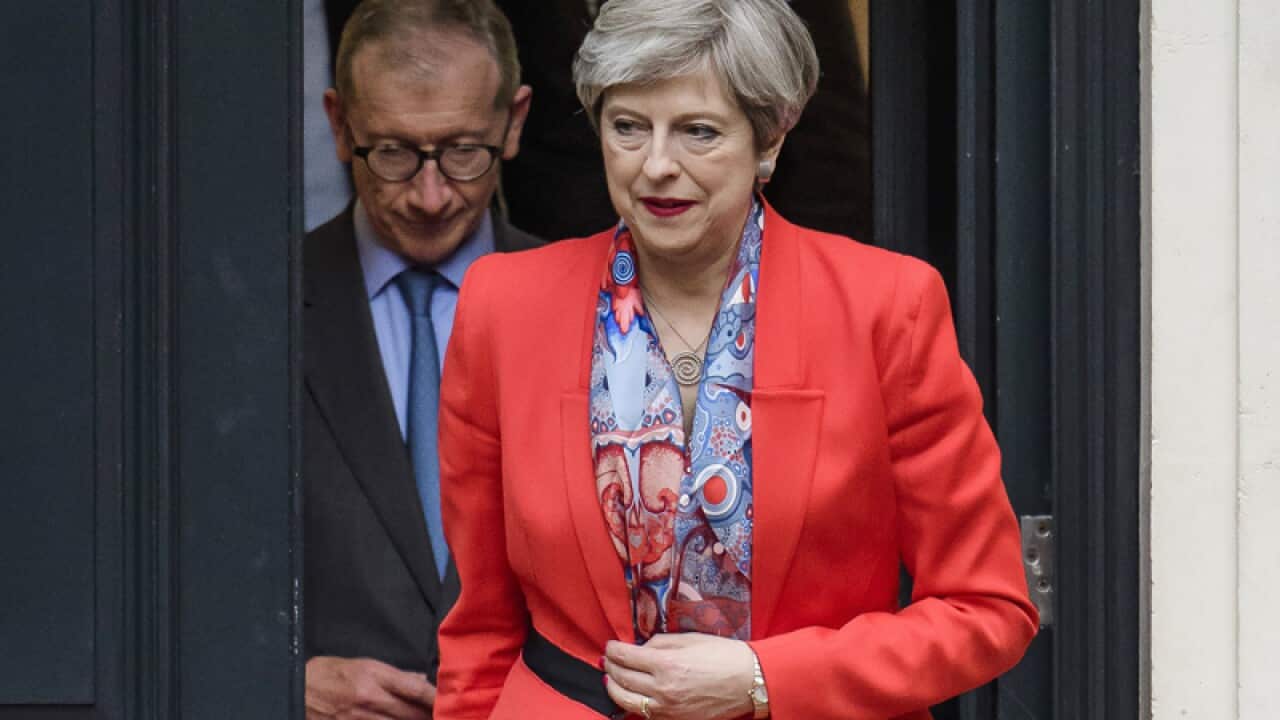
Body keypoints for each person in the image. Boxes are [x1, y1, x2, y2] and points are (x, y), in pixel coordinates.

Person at [434, 0, 1037, 718]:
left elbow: (986, 608)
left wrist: (766, 677)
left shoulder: (887, 309)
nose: (657, 165)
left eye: (699, 131)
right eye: (628, 127)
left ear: (770, 137)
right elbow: (478, 634)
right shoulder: (504, 308)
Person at [302, 1, 539, 718]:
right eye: (393, 153)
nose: (430, 197)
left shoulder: (594, 307)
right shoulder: (257, 307)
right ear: (340, 126)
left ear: (514, 123)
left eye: (464, 152)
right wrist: (281, 678)